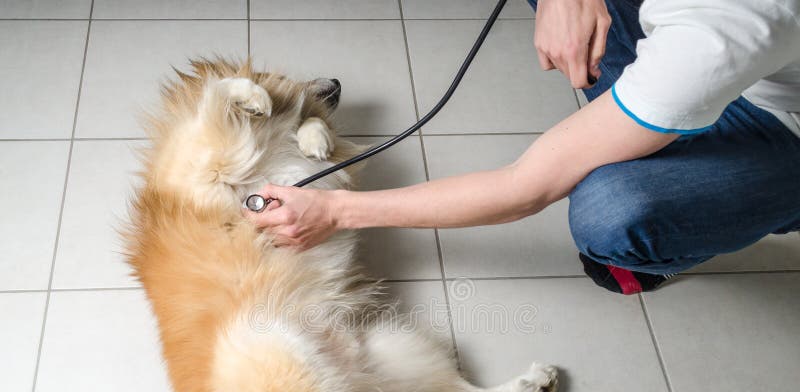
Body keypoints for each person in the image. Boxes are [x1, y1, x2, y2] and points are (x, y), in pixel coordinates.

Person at [244, 0, 800, 295]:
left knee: (611, 210)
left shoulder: (720, 31)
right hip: (714, 64)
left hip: (777, 118)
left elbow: (524, 186)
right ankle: (648, 118)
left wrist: (337, 211)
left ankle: (680, 226)